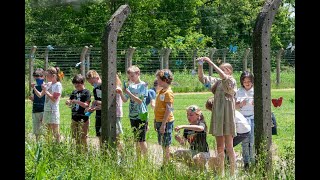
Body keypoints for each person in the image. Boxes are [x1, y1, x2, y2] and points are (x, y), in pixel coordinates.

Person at [197, 56, 237, 176]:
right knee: (220, 147)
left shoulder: (231, 80)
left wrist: (210, 62)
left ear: (230, 71)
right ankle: (221, 173)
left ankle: (232, 174)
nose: (221, 71)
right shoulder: (216, 82)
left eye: (224, 69)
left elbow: (224, 77)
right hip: (218, 116)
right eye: (220, 69)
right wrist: (200, 65)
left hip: (228, 116)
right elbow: (201, 78)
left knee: (229, 147)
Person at [118, 65, 149, 158]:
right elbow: (125, 100)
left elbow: (140, 101)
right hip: (132, 115)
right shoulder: (130, 86)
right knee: (136, 139)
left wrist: (128, 92)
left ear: (138, 73)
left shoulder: (143, 85)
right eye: (129, 77)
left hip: (141, 115)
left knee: (142, 140)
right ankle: (138, 160)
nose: (130, 78)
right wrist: (120, 93)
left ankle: (146, 160)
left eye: (132, 76)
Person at [173, 105, 210, 170]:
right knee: (176, 154)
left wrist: (183, 126)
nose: (188, 117)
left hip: (203, 152)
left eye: (191, 115)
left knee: (196, 158)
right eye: (187, 115)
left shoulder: (201, 124)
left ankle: (203, 172)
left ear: (198, 115)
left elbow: (200, 128)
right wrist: (179, 139)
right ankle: (192, 169)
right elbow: (183, 143)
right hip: (192, 151)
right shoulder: (187, 128)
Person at [33, 66, 63, 143]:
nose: (46, 77)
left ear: (53, 76)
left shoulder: (58, 85)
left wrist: (45, 90)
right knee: (47, 132)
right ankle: (48, 146)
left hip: (53, 111)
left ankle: (57, 146)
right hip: (46, 110)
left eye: (47, 75)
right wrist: (34, 88)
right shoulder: (49, 84)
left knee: (55, 132)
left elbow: (54, 99)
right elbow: (40, 95)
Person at [154, 69, 174, 167]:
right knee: (162, 143)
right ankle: (165, 163)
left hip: (165, 122)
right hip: (159, 121)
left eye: (159, 79)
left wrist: (163, 124)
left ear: (165, 80)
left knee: (166, 145)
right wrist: (156, 120)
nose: (157, 81)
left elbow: (169, 109)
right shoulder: (161, 91)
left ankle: (167, 165)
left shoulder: (168, 93)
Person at [65, 74, 91, 152]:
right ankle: (78, 152)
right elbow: (70, 101)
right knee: (76, 137)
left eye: (77, 83)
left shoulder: (87, 92)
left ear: (82, 82)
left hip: (83, 118)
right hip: (74, 118)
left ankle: (86, 153)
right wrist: (68, 102)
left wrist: (76, 101)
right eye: (75, 83)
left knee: (83, 137)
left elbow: (86, 105)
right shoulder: (74, 92)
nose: (76, 85)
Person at [235, 70, 255, 170]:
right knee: (244, 141)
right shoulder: (239, 91)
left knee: (252, 141)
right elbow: (234, 106)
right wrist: (240, 104)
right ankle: (246, 163)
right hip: (242, 119)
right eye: (245, 81)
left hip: (253, 118)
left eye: (249, 81)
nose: (247, 83)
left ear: (252, 81)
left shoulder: (256, 90)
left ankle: (253, 161)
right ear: (242, 82)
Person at [85, 70, 103, 146]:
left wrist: (97, 104)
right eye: (91, 83)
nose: (92, 85)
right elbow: (96, 102)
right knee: (98, 134)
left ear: (97, 77)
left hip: (107, 115)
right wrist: (92, 108)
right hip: (98, 115)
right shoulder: (95, 89)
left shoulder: (105, 87)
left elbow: (108, 103)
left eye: (93, 82)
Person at [29, 68, 45, 142]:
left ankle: (45, 143)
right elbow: (34, 97)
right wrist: (31, 98)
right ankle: (37, 143)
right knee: (36, 129)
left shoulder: (45, 86)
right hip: (35, 109)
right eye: (35, 79)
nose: (37, 81)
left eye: (38, 79)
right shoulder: (34, 87)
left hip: (43, 109)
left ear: (42, 77)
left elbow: (41, 95)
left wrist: (34, 88)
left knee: (44, 128)